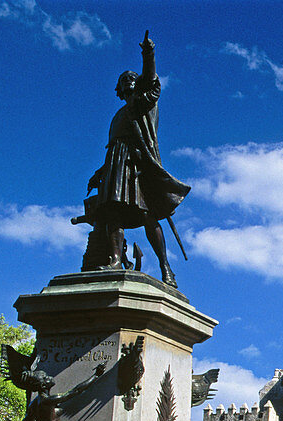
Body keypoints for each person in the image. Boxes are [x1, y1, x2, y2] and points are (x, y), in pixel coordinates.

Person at [85, 31, 189, 287]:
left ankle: (166, 268)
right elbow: (112, 148)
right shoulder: (117, 117)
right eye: (124, 80)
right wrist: (101, 172)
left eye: (133, 78)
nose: (129, 81)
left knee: (146, 215)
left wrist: (148, 54)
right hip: (116, 167)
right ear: (118, 89)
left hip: (138, 166)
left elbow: (151, 80)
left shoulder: (145, 103)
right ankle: (115, 260)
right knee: (112, 214)